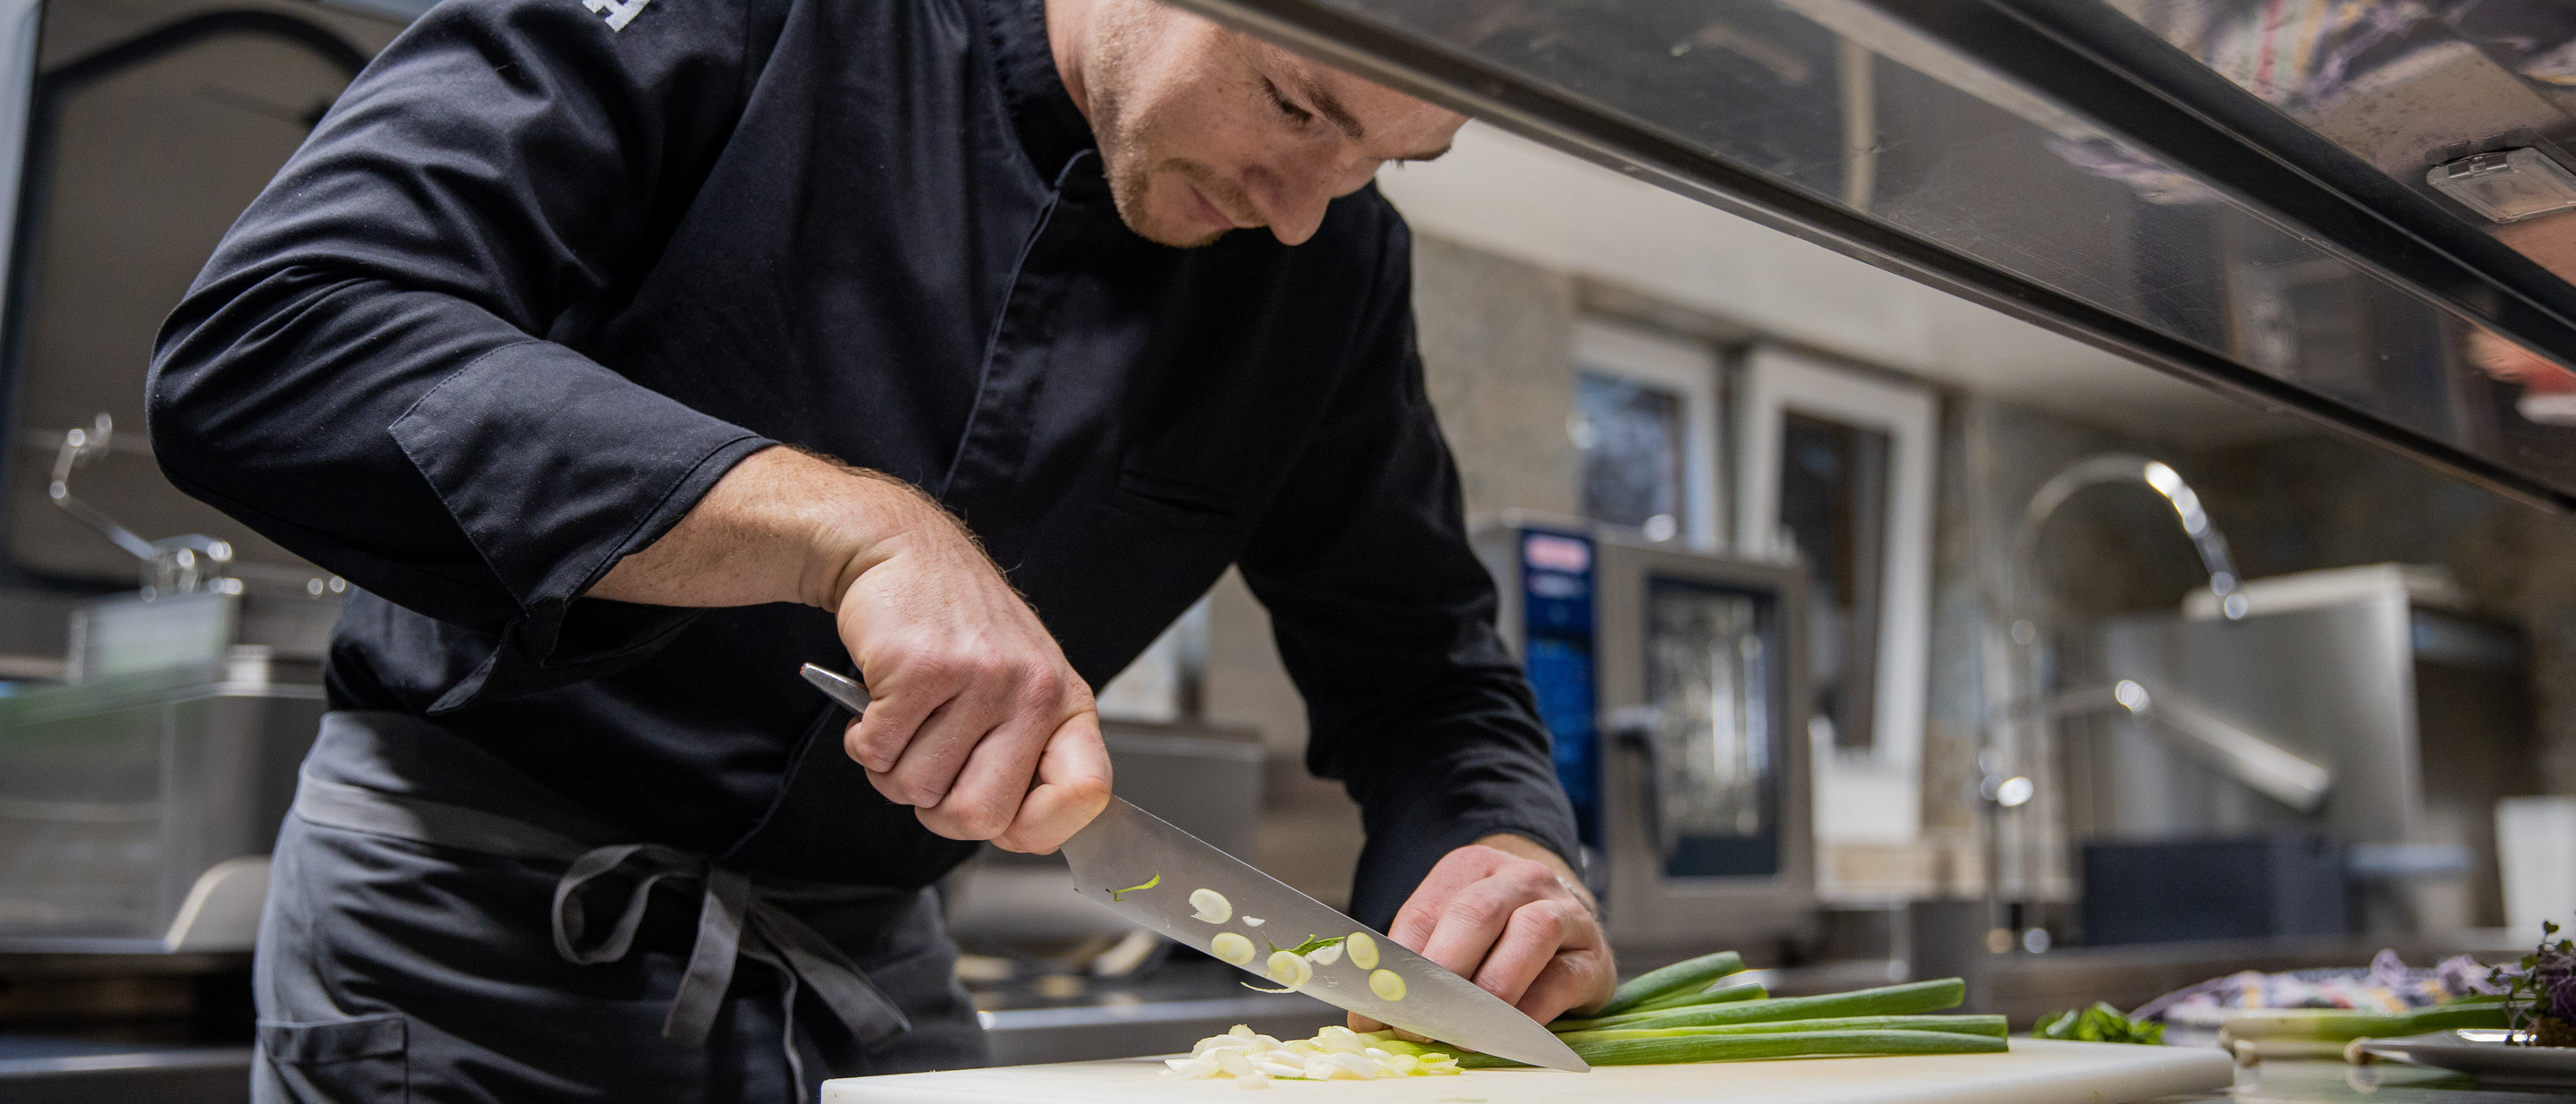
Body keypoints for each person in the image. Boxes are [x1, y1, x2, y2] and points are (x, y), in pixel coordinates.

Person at [148, 0, 1613, 1097]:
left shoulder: (1330, 275)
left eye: (1386, 161)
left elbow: (1423, 671)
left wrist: (1500, 851)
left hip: (866, 984)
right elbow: (277, 342)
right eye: (1298, 109)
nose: (1307, 214)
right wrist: (853, 531)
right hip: (463, 952)